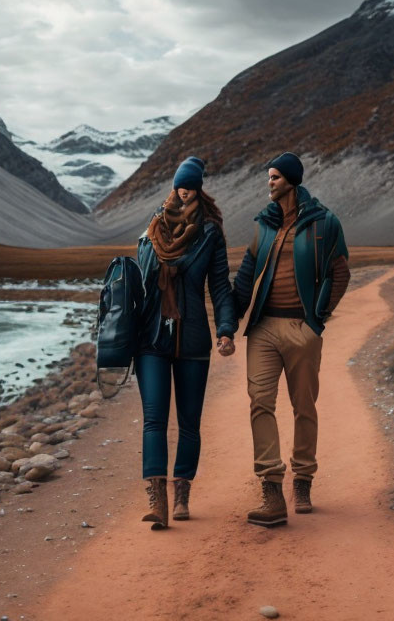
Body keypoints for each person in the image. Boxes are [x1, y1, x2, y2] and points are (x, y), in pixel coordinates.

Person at [232, 152, 350, 526]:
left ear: (292, 181)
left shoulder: (324, 223)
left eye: (276, 177)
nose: (270, 182)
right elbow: (246, 278)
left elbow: (341, 272)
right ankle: (271, 488)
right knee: (260, 402)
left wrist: (317, 319)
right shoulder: (263, 226)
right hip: (264, 328)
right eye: (268, 177)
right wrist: (226, 323)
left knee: (304, 406)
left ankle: (303, 479)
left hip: (302, 328)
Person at [135, 156, 237, 530]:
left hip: (193, 338)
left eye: (191, 186)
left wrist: (226, 328)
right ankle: (157, 499)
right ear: (174, 186)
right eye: (181, 184)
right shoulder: (153, 229)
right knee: (153, 420)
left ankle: (182, 492)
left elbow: (221, 286)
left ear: (199, 189)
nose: (184, 190)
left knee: (190, 423)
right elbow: (139, 283)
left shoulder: (210, 232)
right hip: (151, 338)